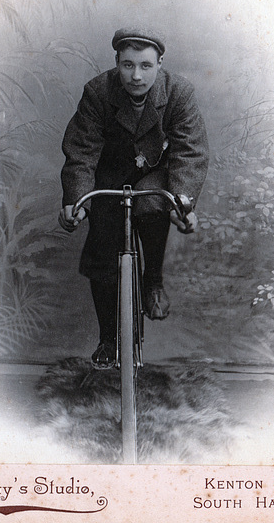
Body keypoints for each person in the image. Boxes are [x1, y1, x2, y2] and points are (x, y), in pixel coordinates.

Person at [59, 27, 209, 369]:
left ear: (160, 64)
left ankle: (152, 278)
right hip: (110, 173)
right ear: (116, 63)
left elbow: (191, 150)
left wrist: (183, 201)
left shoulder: (179, 92)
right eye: (127, 65)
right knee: (102, 245)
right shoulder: (98, 91)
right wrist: (77, 199)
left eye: (145, 65)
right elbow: (81, 150)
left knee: (154, 203)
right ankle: (109, 339)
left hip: (155, 170)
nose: (136, 75)